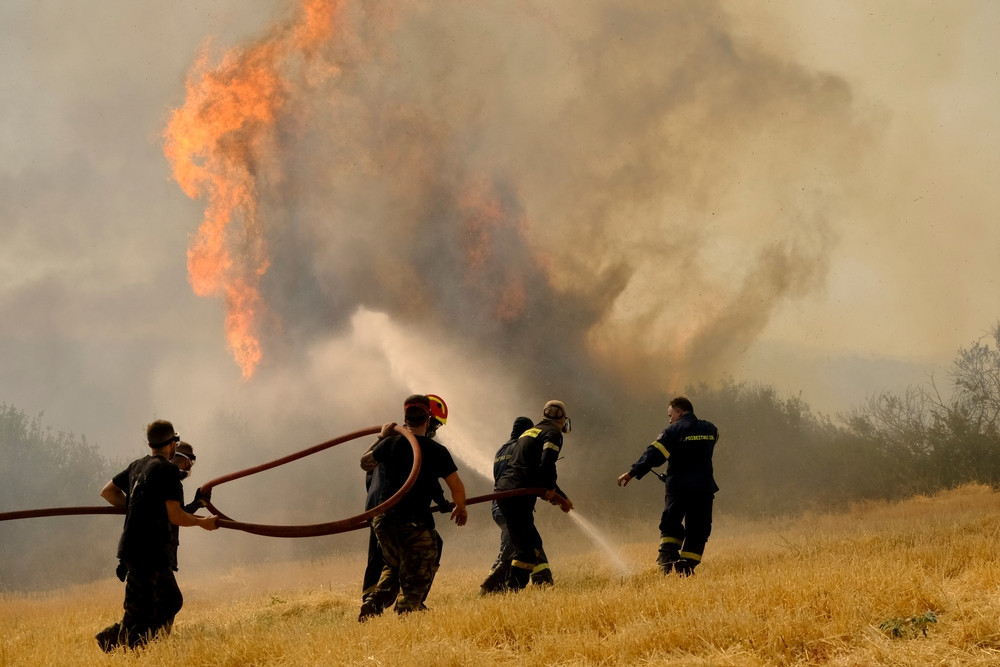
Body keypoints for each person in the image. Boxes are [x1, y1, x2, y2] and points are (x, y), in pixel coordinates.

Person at [95, 420, 218, 652]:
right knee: (137, 616)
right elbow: (175, 516)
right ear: (173, 444)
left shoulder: (136, 466)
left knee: (171, 600)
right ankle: (112, 642)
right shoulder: (168, 471)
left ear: (150, 444)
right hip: (146, 552)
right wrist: (205, 523)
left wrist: (135, 507)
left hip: (148, 551)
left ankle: (154, 644)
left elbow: (108, 492)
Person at [358, 395, 467, 620]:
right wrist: (460, 507)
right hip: (414, 522)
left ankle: (375, 600)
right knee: (420, 570)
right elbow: (455, 484)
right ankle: (408, 609)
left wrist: (381, 437)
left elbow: (364, 463)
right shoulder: (436, 450)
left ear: (405, 418)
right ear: (428, 419)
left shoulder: (389, 444)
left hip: (384, 522)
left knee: (394, 564)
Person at [617, 396, 719, 576]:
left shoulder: (673, 431)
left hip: (679, 489)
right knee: (698, 529)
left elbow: (653, 455)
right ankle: (686, 566)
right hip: (703, 490)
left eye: (670, 414)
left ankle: (667, 561)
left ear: (679, 412)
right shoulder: (710, 429)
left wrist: (632, 472)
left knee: (671, 524)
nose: (669, 419)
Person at [494, 400, 574, 592]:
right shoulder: (553, 434)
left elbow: (531, 469)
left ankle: (504, 585)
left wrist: (558, 495)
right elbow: (547, 464)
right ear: (563, 418)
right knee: (528, 548)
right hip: (519, 495)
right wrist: (550, 489)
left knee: (530, 545)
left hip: (506, 493)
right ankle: (509, 588)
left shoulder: (530, 432)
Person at [479, 415, 555, 594]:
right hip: (513, 505)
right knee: (512, 546)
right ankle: (493, 587)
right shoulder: (522, 448)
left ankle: (542, 579)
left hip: (498, 505)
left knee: (529, 542)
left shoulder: (500, 450)